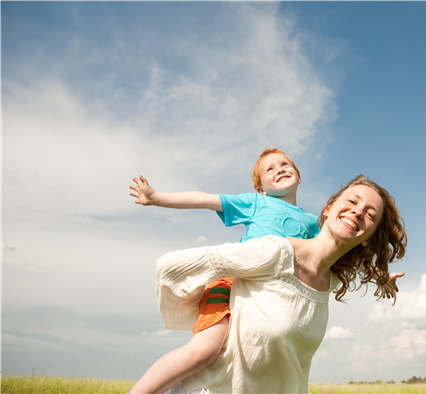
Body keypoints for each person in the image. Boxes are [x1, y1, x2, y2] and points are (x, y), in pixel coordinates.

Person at [155, 175, 407, 394]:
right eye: (352, 202)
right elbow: (172, 268)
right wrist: (217, 306)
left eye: (370, 214)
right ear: (329, 208)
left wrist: (383, 279)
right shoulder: (275, 251)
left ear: (368, 238)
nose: (358, 211)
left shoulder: (329, 280)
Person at [128, 148, 319, 394]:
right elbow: (203, 199)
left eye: (285, 164)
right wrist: (156, 198)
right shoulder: (258, 203)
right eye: (269, 169)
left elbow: (338, 253)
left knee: (249, 359)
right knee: (205, 350)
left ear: (299, 176)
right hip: (229, 285)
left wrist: (380, 278)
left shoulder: (313, 224)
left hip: (267, 299)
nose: (280, 169)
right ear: (261, 189)